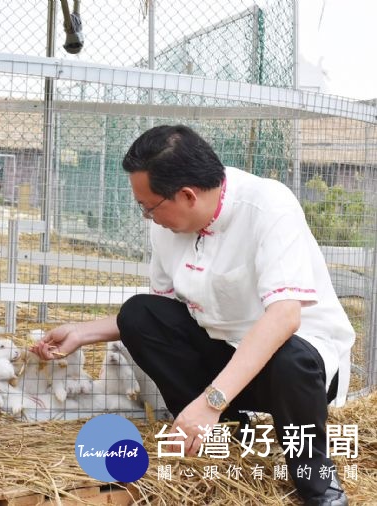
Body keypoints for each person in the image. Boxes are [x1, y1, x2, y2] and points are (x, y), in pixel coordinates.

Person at [32, 125, 353, 506]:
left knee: (290, 356)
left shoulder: (268, 205)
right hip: (226, 359)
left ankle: (316, 484)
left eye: (149, 207)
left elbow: (284, 318)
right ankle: (227, 435)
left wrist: (209, 402)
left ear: (186, 195)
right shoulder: (169, 226)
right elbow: (167, 314)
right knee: (140, 313)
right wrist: (83, 333)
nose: (147, 217)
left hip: (298, 373)